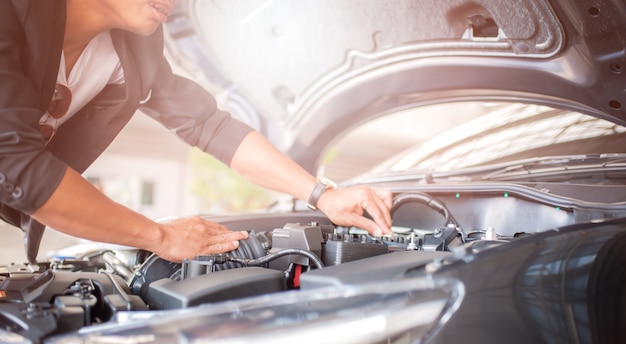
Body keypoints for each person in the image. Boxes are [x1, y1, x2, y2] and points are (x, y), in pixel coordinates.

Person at [0, 0, 393, 264]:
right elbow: (16, 165)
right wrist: (160, 237)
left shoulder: (137, 48)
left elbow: (207, 124)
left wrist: (322, 195)